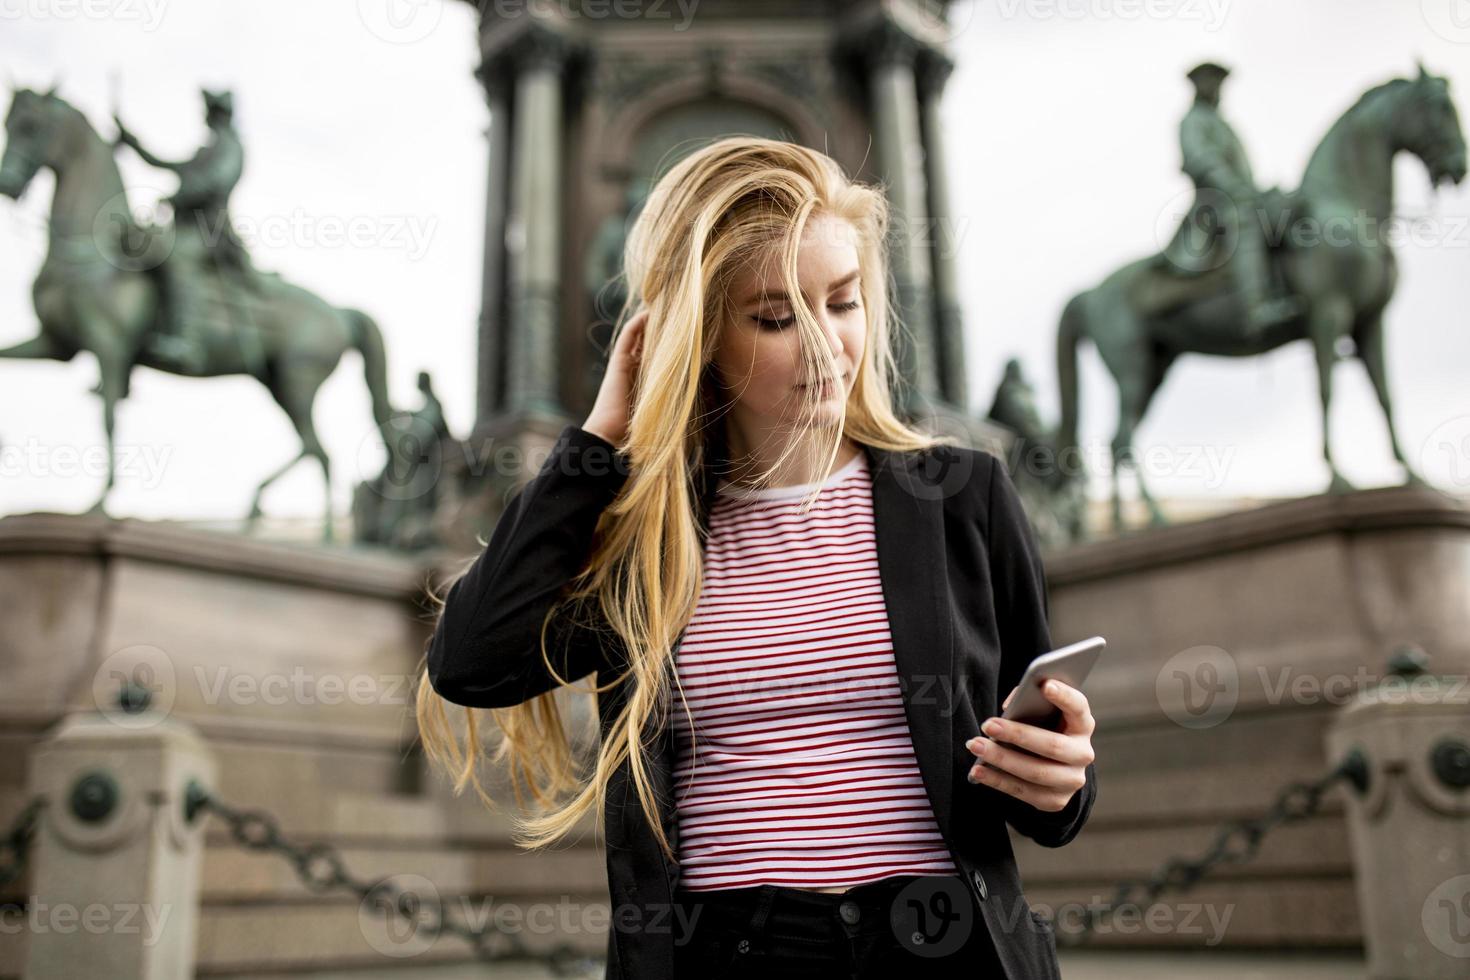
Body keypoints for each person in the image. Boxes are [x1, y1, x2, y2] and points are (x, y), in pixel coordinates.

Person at [417, 138, 1098, 979]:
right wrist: (597, 445)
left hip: (944, 945)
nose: (824, 344)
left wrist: (1064, 780)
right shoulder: (647, 532)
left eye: (842, 303)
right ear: (698, 336)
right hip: (734, 952)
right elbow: (471, 661)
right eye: (776, 318)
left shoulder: (962, 495)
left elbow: (1041, 773)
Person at [114, 88, 251, 374]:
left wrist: (178, 197)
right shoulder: (207, 150)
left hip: (209, 233)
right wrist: (132, 142)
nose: (208, 118)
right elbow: (165, 163)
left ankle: (186, 339)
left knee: (178, 258)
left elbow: (216, 181)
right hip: (184, 228)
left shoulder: (231, 146)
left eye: (212, 112)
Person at [1165, 62, 1303, 338]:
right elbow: (1201, 161)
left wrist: (1249, 191)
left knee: (1288, 207)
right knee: (1245, 221)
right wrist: (1232, 187)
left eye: (1220, 85)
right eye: (1212, 84)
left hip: (1244, 194)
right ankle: (1256, 308)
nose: (1217, 90)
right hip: (1213, 204)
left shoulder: (1222, 124)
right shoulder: (1192, 121)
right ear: (1199, 86)